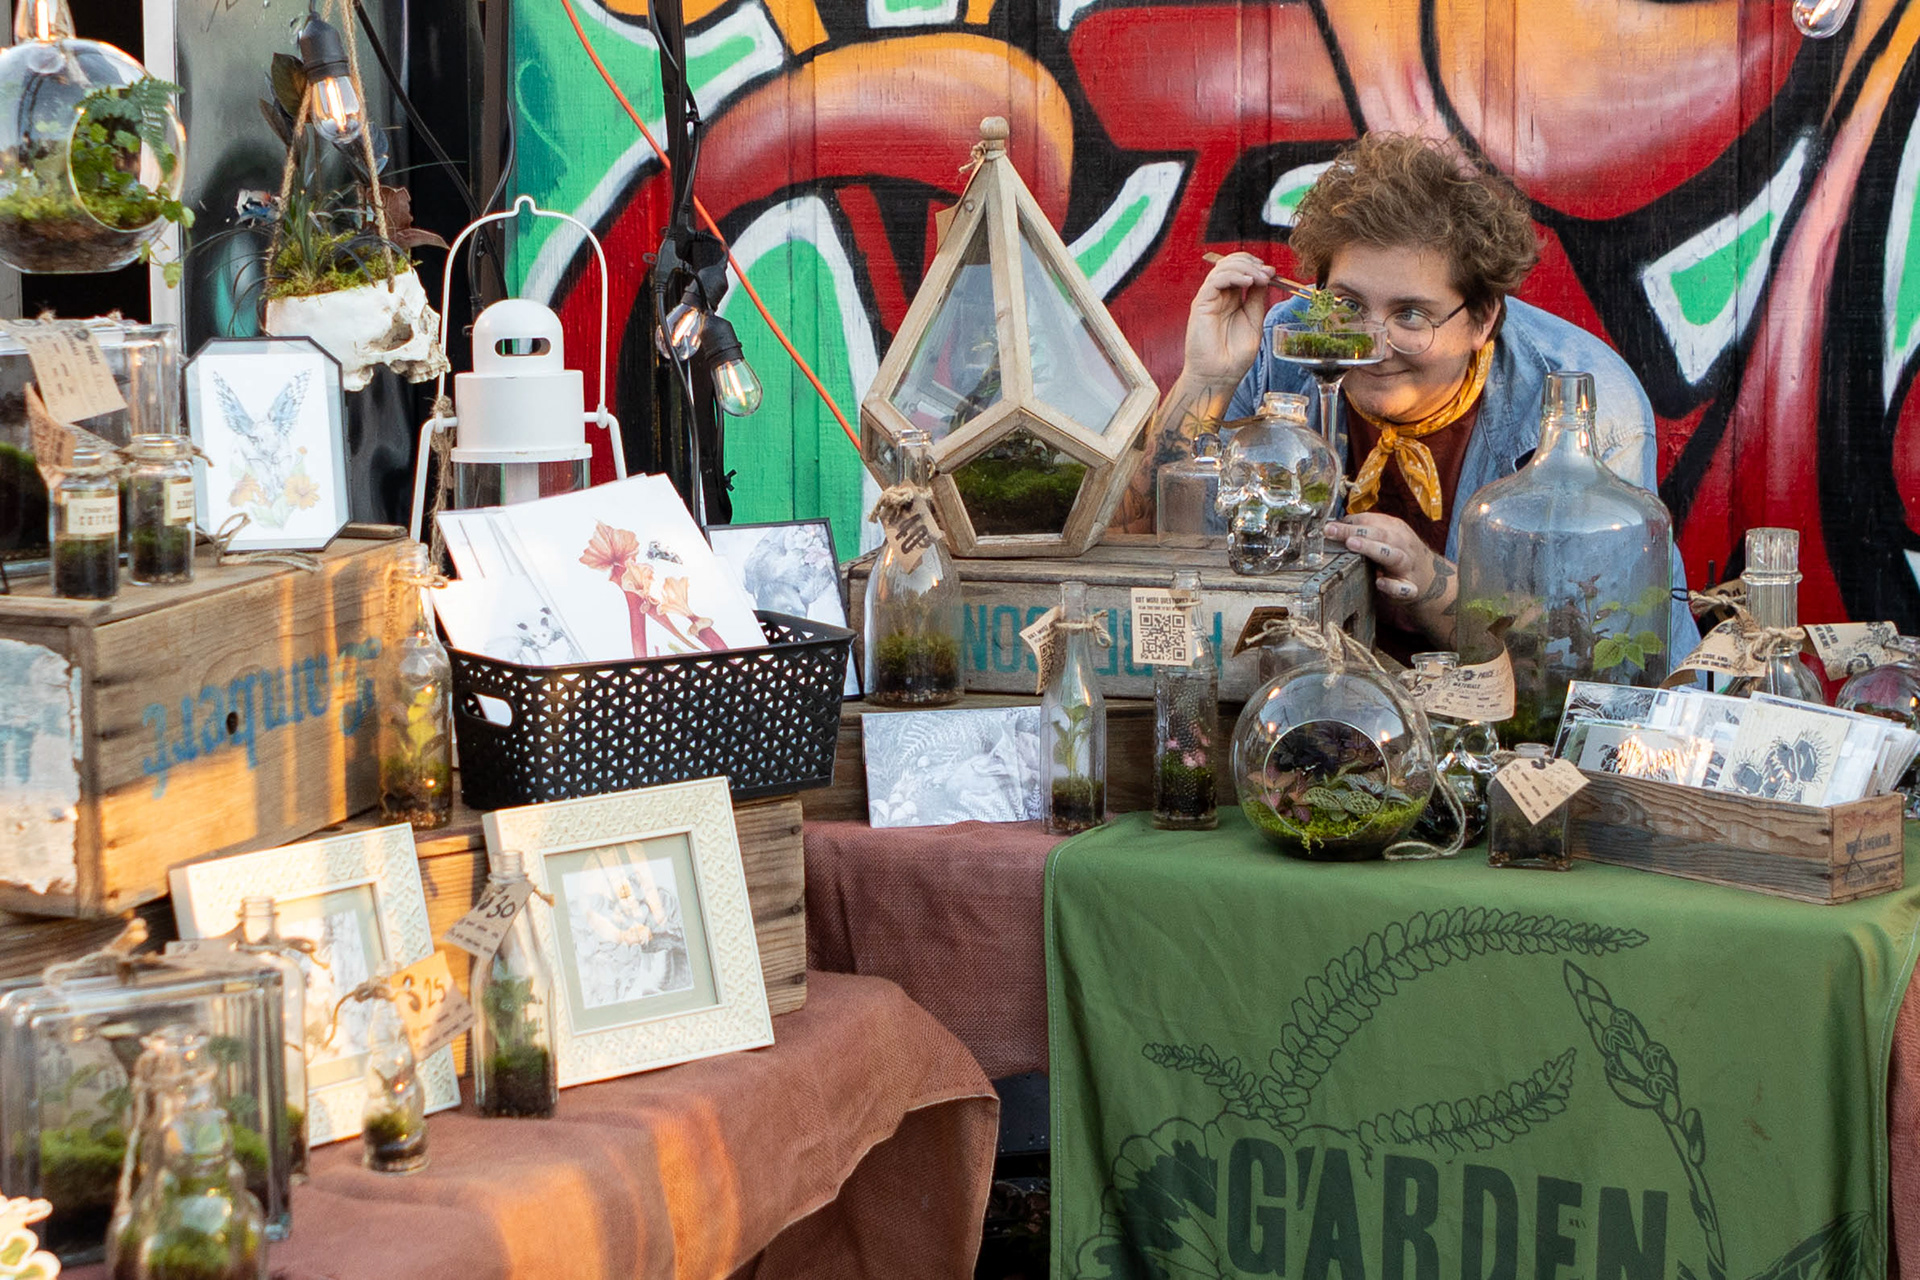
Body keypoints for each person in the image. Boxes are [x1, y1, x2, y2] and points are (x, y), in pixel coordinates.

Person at [1119, 132, 1697, 661]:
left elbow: (1590, 656)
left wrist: (1431, 582)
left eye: (1411, 314)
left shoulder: (1588, 410)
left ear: (1481, 319)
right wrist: (1208, 377)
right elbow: (1147, 544)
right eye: (1346, 307)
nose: (1372, 344)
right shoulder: (1287, 344)